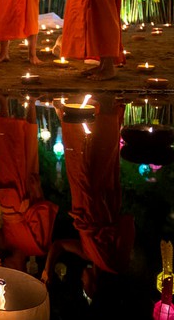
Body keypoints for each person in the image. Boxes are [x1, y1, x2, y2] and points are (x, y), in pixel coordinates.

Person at [43, 95, 134, 303]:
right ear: (93, 284)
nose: (80, 279)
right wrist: (105, 223)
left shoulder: (89, 254)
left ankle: (72, 115)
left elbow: (58, 245)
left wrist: (47, 270)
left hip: (83, 201)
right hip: (100, 203)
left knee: (79, 158)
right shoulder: (113, 262)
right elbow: (127, 225)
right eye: (83, 283)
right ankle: (107, 109)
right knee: (98, 159)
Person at [0, 96, 58, 270]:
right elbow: (44, 216)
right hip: (27, 196)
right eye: (10, 269)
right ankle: (31, 104)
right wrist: (37, 191)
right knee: (28, 147)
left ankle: (3, 102)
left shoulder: (5, 248)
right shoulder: (38, 247)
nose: (6, 265)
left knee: (3, 149)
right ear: (20, 268)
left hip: (7, 200)